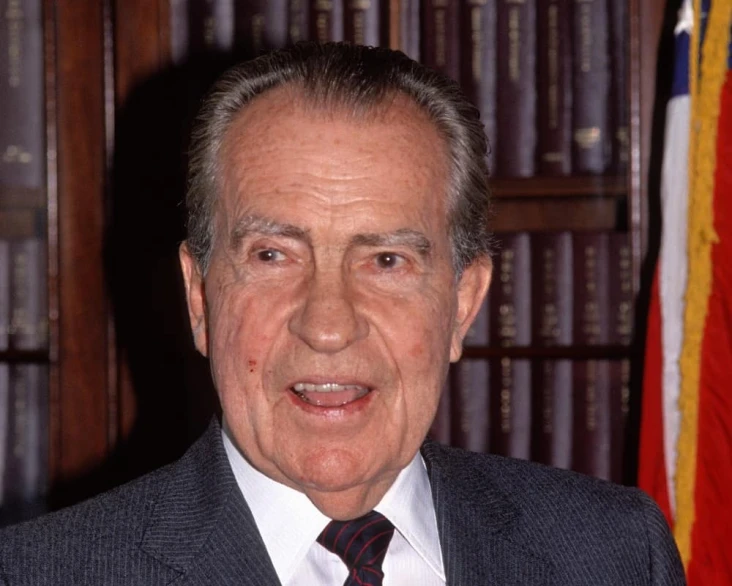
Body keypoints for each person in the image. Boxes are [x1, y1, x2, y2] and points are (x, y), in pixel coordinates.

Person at [0, 42, 684, 586]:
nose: (328, 327)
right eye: (273, 256)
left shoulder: (616, 554)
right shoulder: (37, 573)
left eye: (386, 260)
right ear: (200, 298)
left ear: (462, 304)